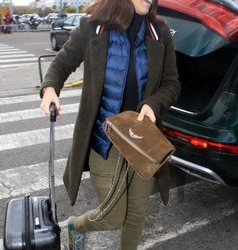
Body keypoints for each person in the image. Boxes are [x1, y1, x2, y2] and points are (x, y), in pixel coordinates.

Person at [40, 0, 181, 249]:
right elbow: (62, 63)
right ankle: (77, 225)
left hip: (143, 139)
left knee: (136, 214)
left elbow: (172, 83)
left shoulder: (159, 32)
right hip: (104, 140)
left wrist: (153, 103)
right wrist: (50, 89)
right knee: (113, 216)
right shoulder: (93, 26)